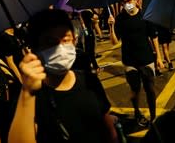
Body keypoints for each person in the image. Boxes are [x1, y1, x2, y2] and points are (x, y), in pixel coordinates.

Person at [8, 8, 119, 143]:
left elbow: (106, 121)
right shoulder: (31, 97)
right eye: (51, 43)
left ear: (74, 40)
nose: (60, 48)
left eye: (66, 40)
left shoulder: (89, 79)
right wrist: (27, 93)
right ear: (36, 50)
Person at [108, 0, 165, 127]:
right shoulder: (120, 19)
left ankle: (153, 116)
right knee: (135, 91)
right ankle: (137, 113)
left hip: (146, 59)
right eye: (123, 2)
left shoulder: (145, 15)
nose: (126, 4)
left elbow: (154, 37)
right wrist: (111, 26)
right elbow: (114, 42)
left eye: (128, 1)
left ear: (135, 0)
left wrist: (158, 57)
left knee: (150, 89)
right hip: (129, 61)